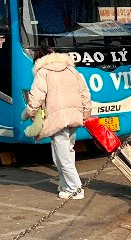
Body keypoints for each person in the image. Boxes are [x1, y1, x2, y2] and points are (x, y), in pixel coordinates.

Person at [25, 50, 93, 200]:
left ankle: (75, 189)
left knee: (63, 157)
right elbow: (84, 93)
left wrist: (30, 112)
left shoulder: (43, 73)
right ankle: (65, 185)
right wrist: (86, 112)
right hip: (74, 116)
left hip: (57, 119)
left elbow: (36, 96)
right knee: (65, 152)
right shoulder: (71, 70)